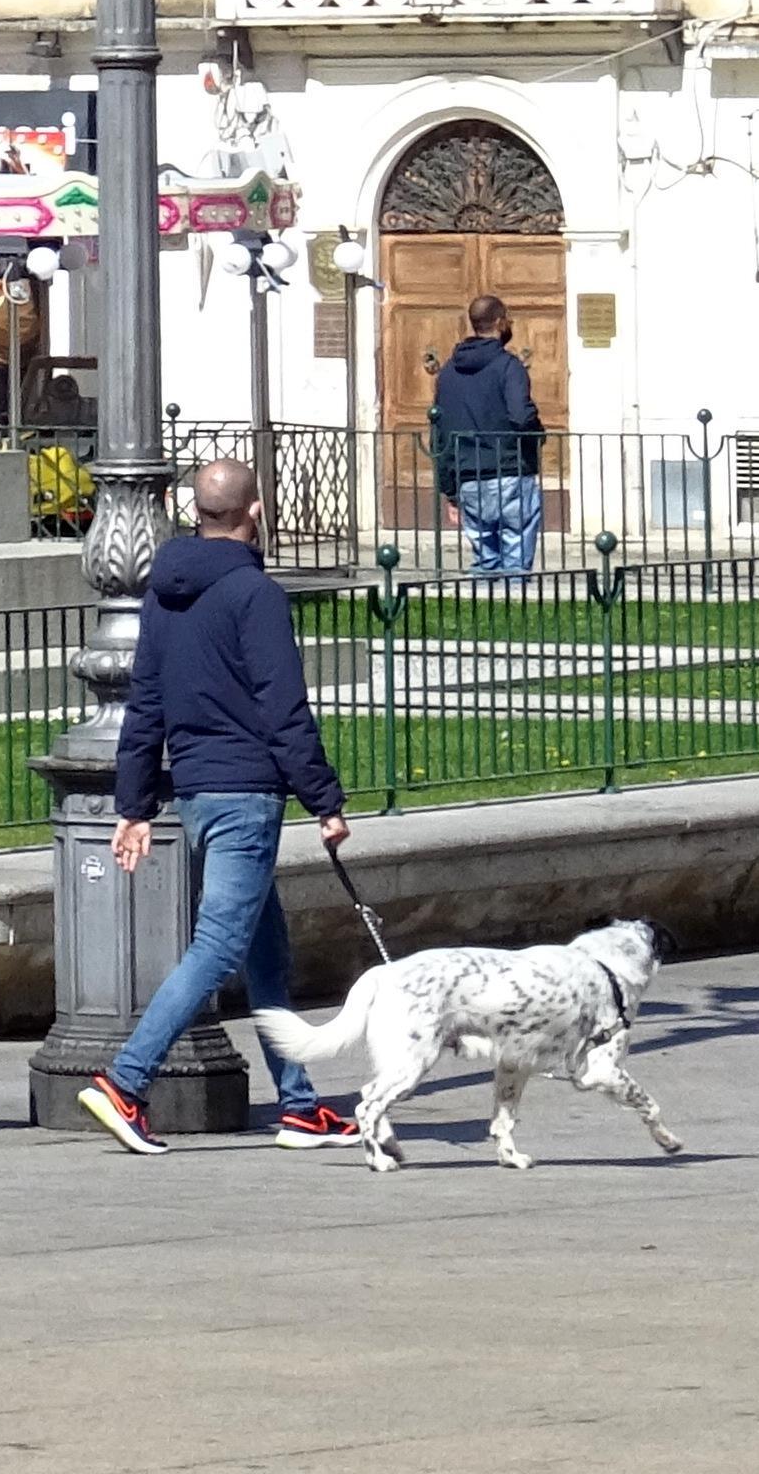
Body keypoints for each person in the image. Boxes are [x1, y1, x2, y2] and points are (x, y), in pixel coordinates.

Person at [78, 454, 361, 1154]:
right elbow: (282, 706)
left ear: (196, 513)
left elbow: (145, 705)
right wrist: (324, 798)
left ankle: (298, 1105)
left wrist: (135, 804)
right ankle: (126, 1081)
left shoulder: (163, 595)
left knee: (267, 952)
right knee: (219, 947)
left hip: (201, 791)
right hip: (246, 795)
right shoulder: (255, 595)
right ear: (255, 513)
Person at [428, 299, 547, 577]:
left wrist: (450, 490)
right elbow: (521, 416)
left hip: (469, 477)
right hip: (510, 472)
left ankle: (486, 607)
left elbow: (440, 432)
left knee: (485, 562)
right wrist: (538, 434)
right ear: (499, 322)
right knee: (515, 561)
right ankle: (513, 608)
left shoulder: (447, 373)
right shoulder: (508, 366)